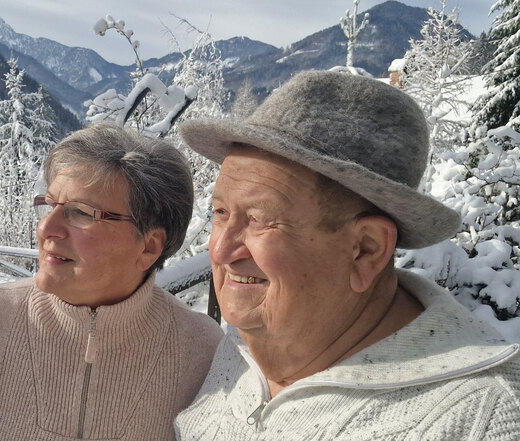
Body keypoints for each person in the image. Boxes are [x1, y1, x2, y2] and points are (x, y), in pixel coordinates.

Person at [174, 71, 520, 440]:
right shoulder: (245, 340)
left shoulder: (482, 420)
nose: (220, 249)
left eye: (259, 220)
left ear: (366, 249)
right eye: (220, 213)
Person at [0, 123, 223, 441]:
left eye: (81, 213)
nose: (47, 228)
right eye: (50, 205)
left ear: (149, 246)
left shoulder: (200, 352)